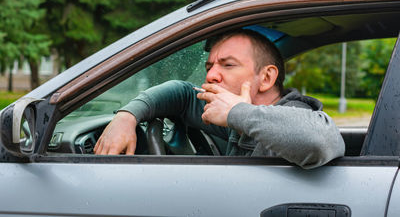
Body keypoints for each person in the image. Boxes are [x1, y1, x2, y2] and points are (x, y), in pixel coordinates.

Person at [94, 29, 345, 169]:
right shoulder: (232, 115)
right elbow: (182, 93)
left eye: (228, 65)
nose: (211, 75)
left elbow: (319, 140)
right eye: (210, 66)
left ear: (267, 78)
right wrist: (127, 117)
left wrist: (238, 112)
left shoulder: (288, 113)